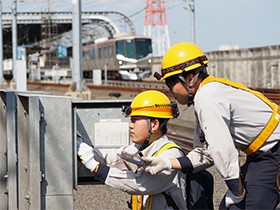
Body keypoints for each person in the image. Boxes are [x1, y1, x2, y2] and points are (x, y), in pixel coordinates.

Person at [143, 42, 280, 209]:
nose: (170, 90)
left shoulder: (207, 97)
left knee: (246, 206)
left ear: (190, 78)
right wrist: (167, 163)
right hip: (263, 153)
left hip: (274, 151)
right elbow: (205, 152)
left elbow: (222, 149)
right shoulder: (207, 93)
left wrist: (237, 192)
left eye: (171, 83)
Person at [77, 90, 187, 210]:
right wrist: (83, 147)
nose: (130, 125)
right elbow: (112, 157)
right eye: (131, 120)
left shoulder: (171, 155)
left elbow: (141, 184)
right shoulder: (139, 149)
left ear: (154, 125)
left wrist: (96, 167)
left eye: (135, 120)